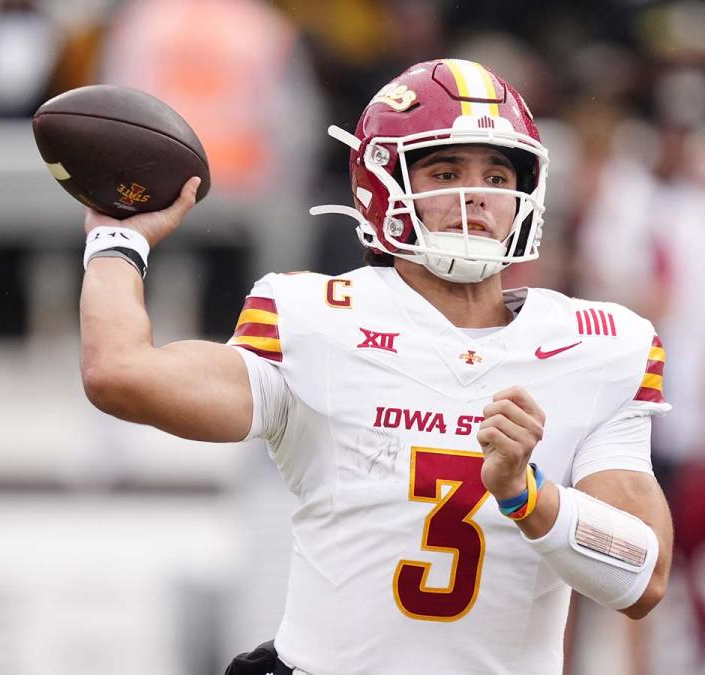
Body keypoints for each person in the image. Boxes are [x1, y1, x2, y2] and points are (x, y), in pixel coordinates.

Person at [78, 59, 674, 675]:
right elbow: (120, 375)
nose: (476, 195)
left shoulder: (598, 345)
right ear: (382, 184)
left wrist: (529, 496)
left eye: (497, 175)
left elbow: (644, 578)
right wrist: (117, 240)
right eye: (446, 172)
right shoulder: (317, 319)